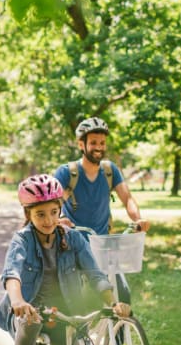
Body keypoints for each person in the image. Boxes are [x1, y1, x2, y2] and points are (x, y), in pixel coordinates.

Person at [0, 174, 131, 345]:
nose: (48, 220)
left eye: (53, 212)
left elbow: (95, 274)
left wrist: (113, 302)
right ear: (28, 214)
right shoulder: (22, 240)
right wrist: (17, 301)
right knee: (32, 320)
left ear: (60, 210)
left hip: (62, 314)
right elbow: (12, 274)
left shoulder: (74, 239)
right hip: (29, 311)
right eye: (40, 214)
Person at [54, 116, 150, 303]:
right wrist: (59, 219)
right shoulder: (67, 172)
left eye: (102, 143)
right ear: (81, 145)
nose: (99, 147)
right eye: (93, 143)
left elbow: (127, 198)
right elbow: (54, 203)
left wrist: (138, 219)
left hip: (104, 245)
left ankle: (119, 331)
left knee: (122, 295)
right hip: (74, 246)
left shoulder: (109, 171)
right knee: (76, 301)